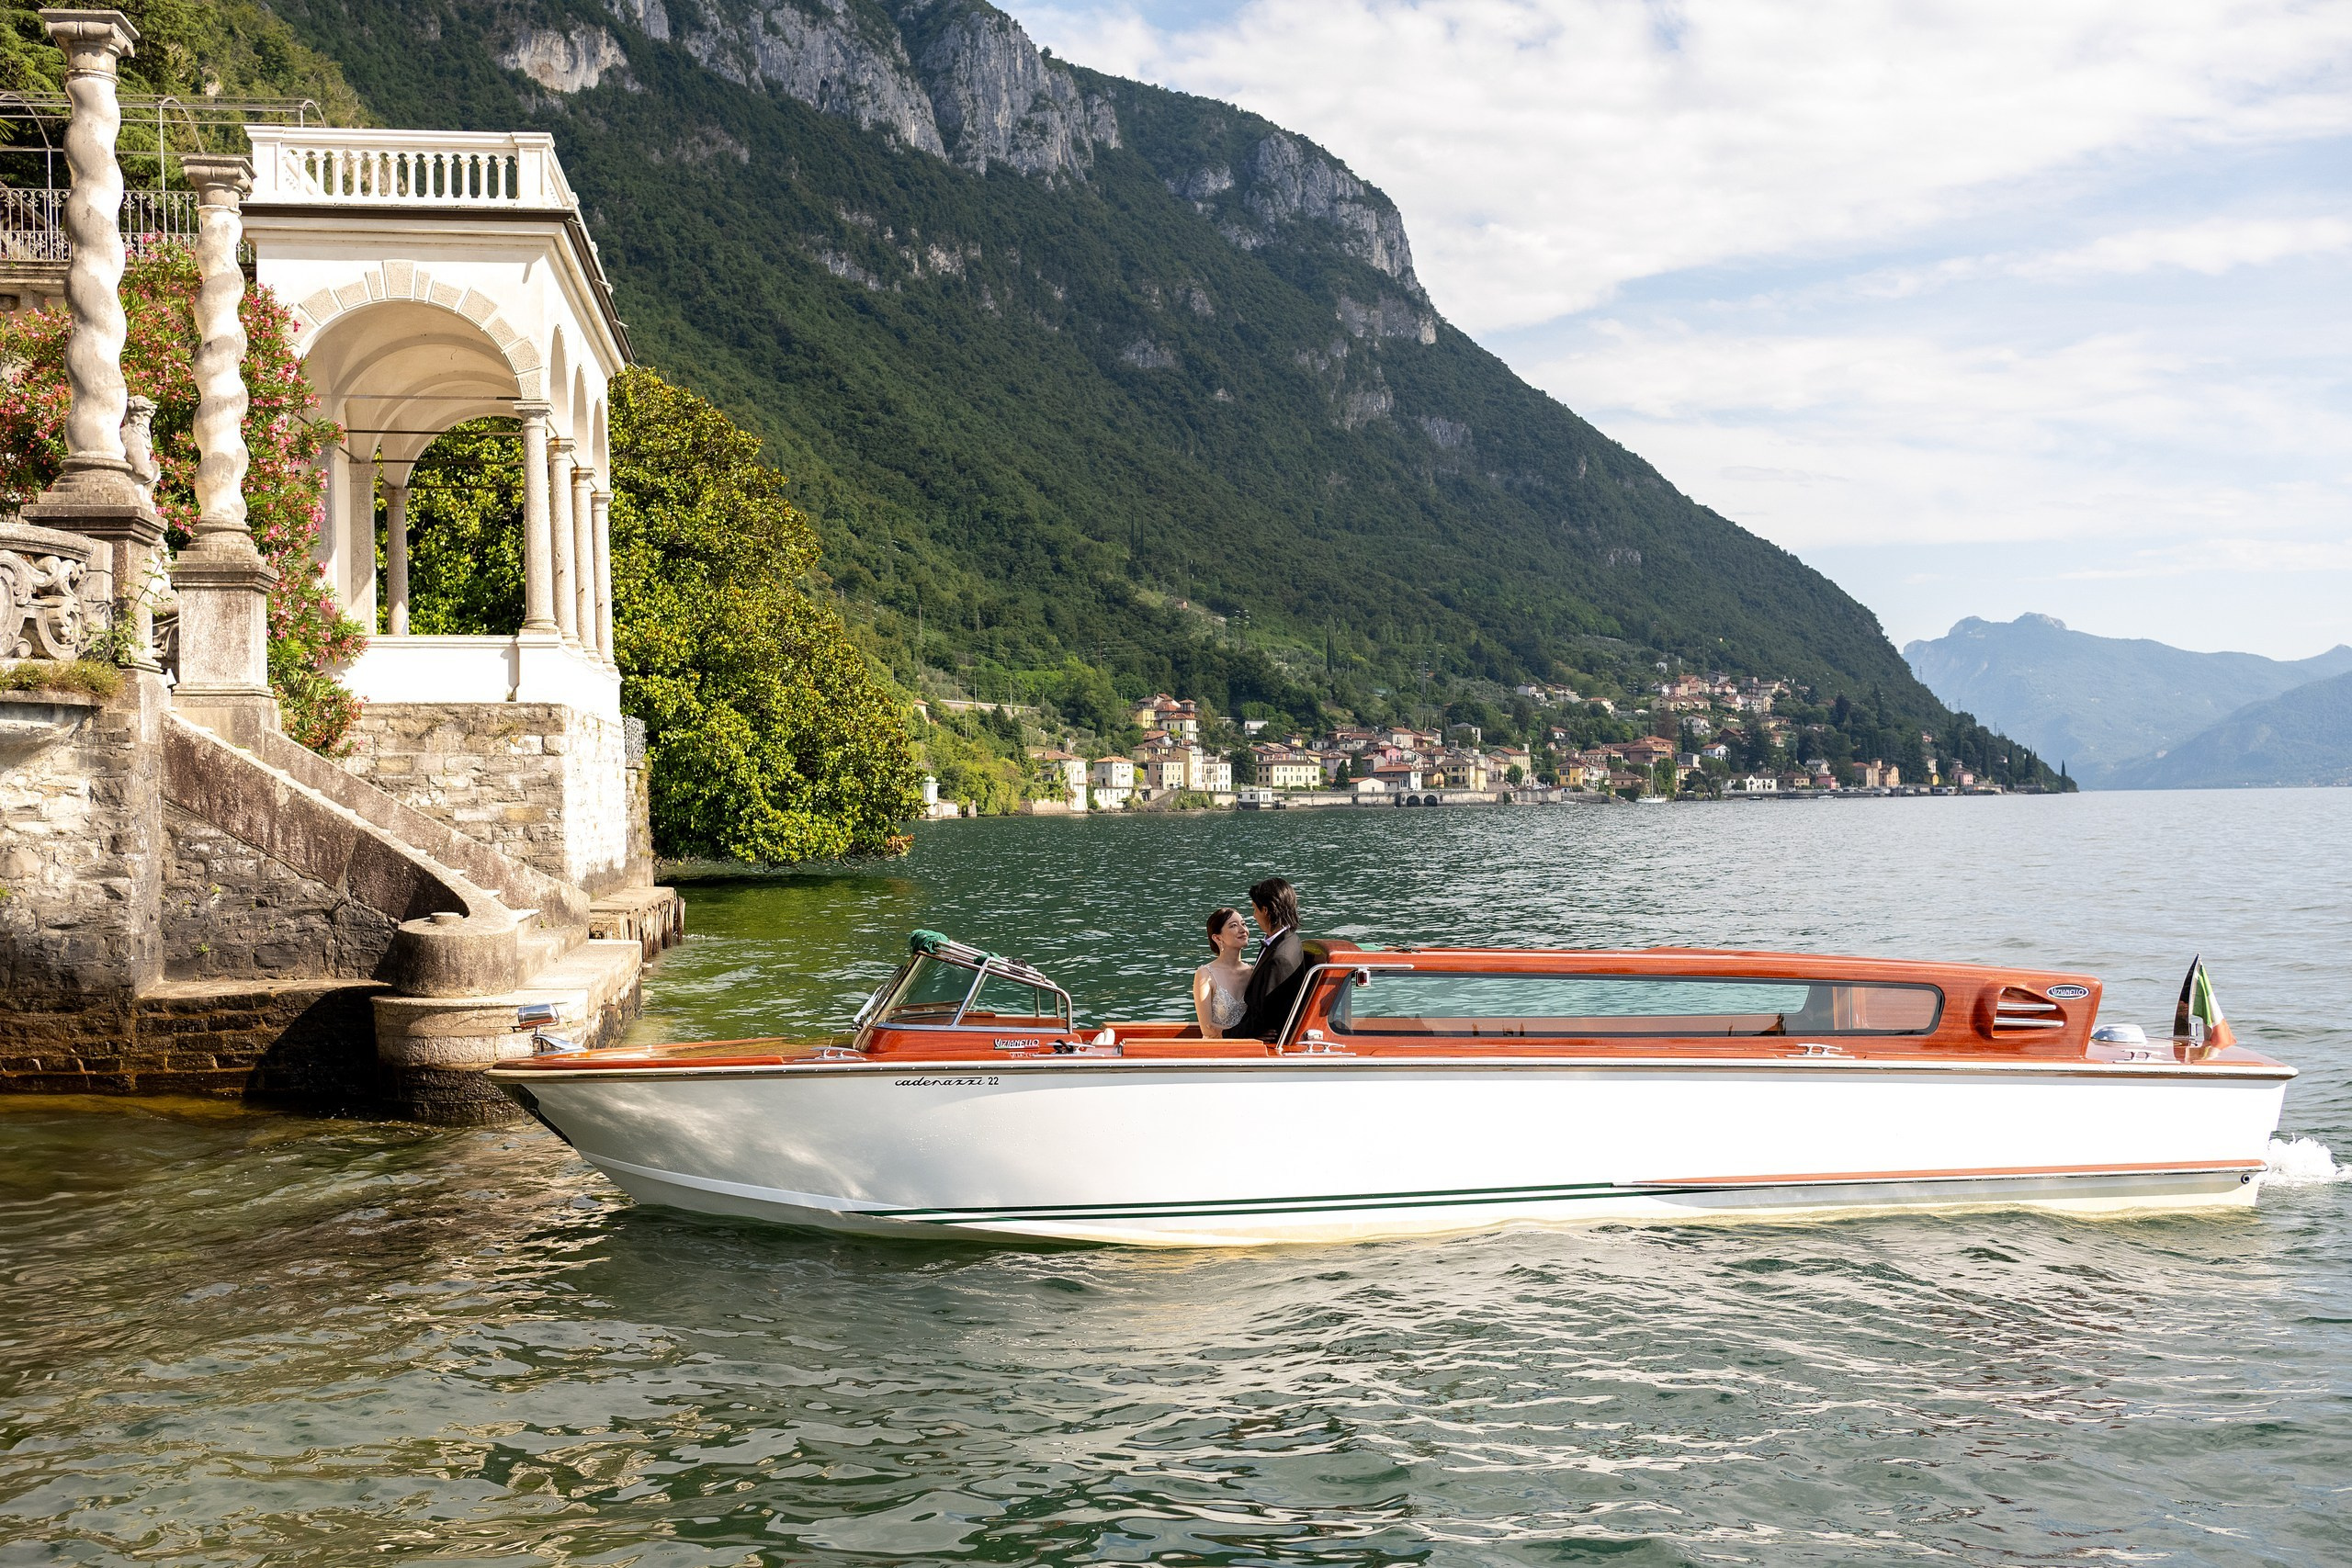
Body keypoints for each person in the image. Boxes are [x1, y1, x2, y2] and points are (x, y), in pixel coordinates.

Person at [1229, 876, 1307, 1042]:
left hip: (1268, 1043)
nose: (1254, 916)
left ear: (1265, 910)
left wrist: (1224, 1035)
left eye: (1255, 909)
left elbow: (1265, 1017)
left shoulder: (1280, 958)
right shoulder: (1291, 940)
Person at [1192, 907, 1253, 1037]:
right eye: (1233, 926)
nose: (1243, 930)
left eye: (1243, 924)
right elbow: (1207, 1028)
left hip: (1249, 1049)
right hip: (1215, 1051)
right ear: (1217, 938)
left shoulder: (1253, 972)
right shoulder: (1205, 974)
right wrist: (1248, 1034)